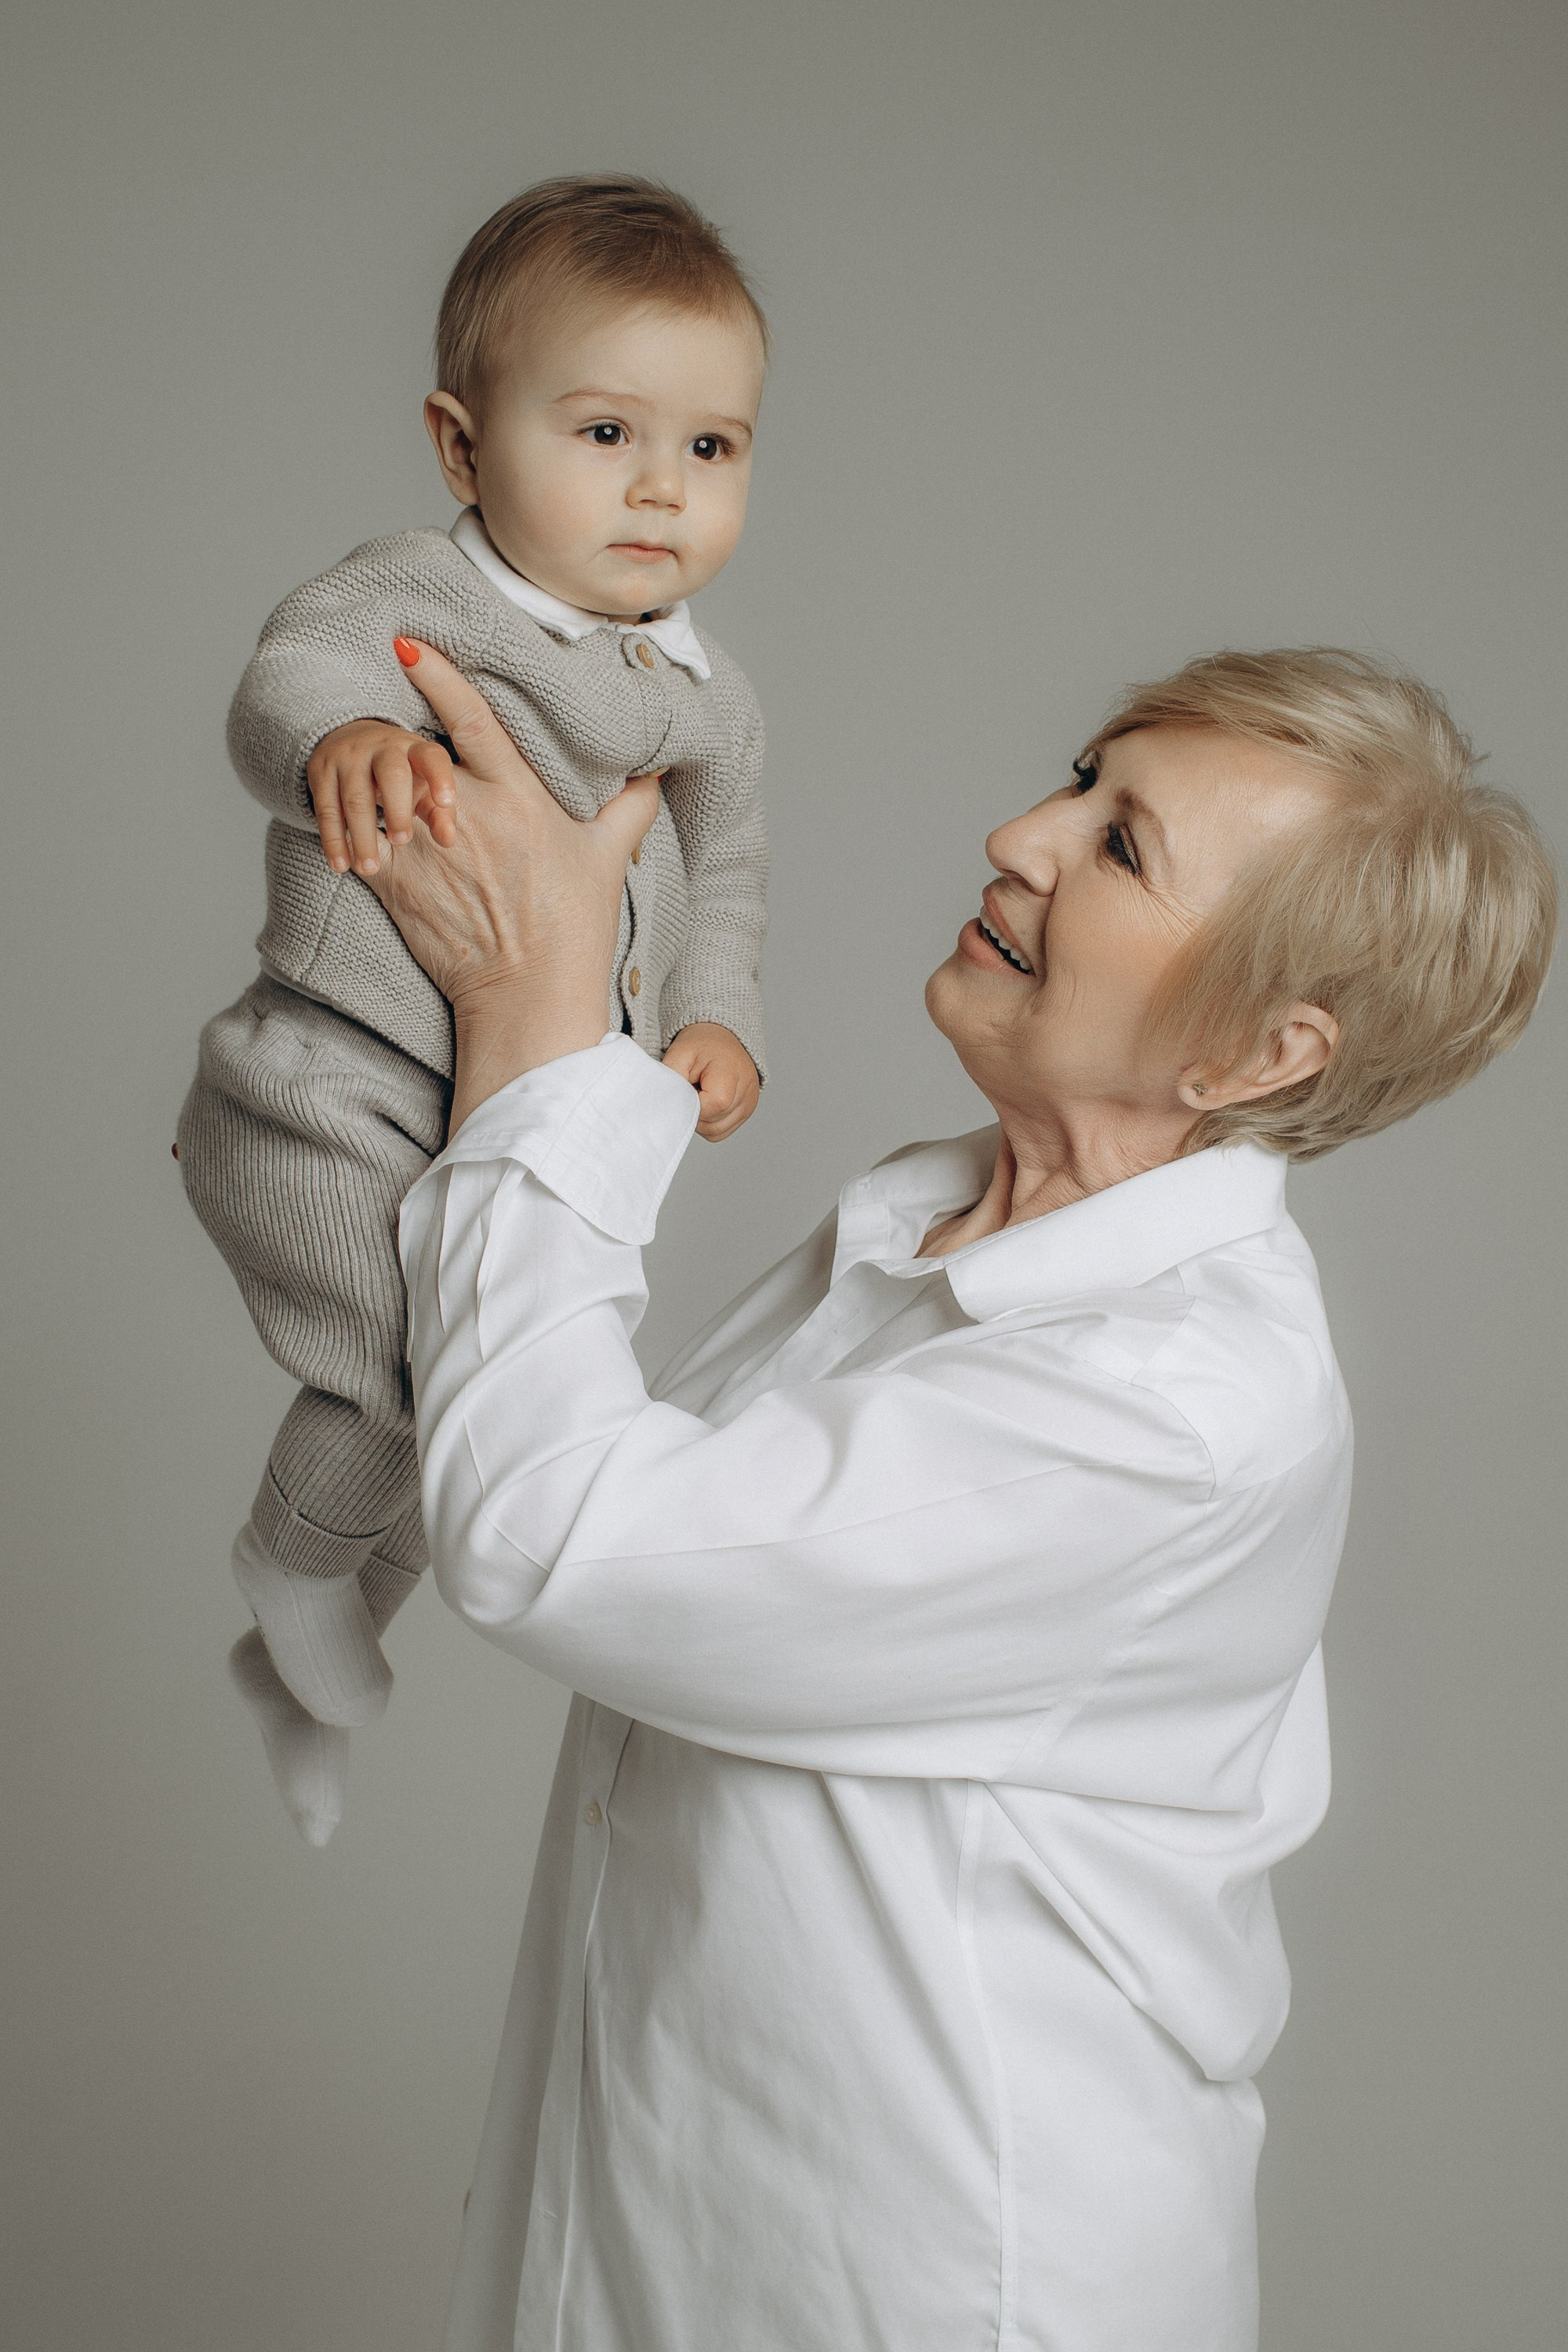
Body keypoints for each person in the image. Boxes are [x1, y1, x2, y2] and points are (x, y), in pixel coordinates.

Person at [372, 638, 1553, 2352]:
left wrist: (535, 1030)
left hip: (927, 2276)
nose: (1019, 831)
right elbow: (591, 1473)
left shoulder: (1169, 1408)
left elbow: (559, 1537)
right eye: (1082, 778)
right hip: (656, 2209)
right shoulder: (923, 1216)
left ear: (1257, 1051)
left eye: (1122, 843)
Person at [176, 179, 771, 1840]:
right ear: (459, 445)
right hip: (327, 1089)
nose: (661, 488)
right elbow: (283, 681)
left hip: (507, 1117)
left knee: (500, 1405)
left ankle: (307, 1659)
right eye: (602, 432)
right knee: (404, 1372)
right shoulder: (414, 597)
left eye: (712, 449)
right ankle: (292, 1572)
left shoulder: (707, 701)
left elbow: (725, 879)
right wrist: (337, 744)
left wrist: (717, 1011)